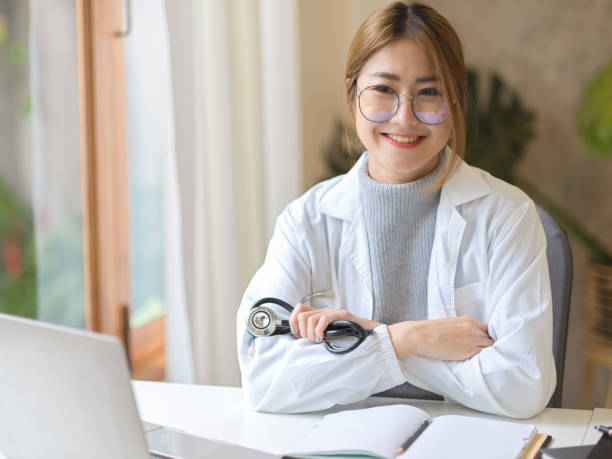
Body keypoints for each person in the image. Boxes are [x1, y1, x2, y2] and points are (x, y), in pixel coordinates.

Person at [236, 1, 555, 418]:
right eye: (383, 90)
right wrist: (407, 339)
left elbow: (523, 385)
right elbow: (264, 379)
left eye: (429, 93)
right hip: (345, 439)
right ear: (353, 98)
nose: (404, 117)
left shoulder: (505, 214)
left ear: (455, 102)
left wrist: (362, 338)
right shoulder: (306, 221)